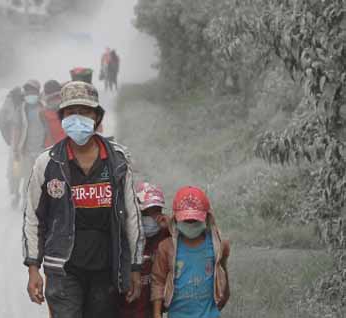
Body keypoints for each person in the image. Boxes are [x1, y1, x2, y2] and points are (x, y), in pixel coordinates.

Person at [22, 81, 145, 318]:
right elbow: (33, 219)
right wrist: (33, 268)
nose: (78, 118)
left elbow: (132, 216)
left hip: (107, 270)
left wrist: (136, 268)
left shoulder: (117, 161)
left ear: (97, 117)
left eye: (85, 112)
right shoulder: (47, 163)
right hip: (63, 271)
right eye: (71, 112)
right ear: (62, 117)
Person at [151, 186, 230, 318]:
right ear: (176, 219)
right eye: (186, 221)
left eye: (195, 221)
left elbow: (222, 281)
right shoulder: (167, 248)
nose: (191, 224)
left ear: (206, 218)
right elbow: (158, 281)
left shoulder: (217, 245)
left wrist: (224, 261)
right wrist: (157, 314)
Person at [119, 182, 170, 318]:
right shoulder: (123, 239)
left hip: (151, 311)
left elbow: (191, 237)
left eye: (157, 211)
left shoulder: (165, 235)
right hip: (124, 311)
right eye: (147, 212)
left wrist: (171, 225)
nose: (153, 218)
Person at [10, 79, 43, 208]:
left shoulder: (44, 107)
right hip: (26, 150)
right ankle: (25, 200)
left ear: (37, 92)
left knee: (41, 178)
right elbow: (17, 129)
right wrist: (16, 149)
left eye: (33, 91)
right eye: (28, 91)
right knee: (27, 176)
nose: (30, 94)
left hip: (42, 150)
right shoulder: (21, 109)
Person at [0, 87, 25, 206]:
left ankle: (18, 193)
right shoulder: (9, 105)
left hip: (21, 144)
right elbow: (1, 120)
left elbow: (0, 119)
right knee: (16, 170)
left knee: (19, 171)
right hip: (16, 144)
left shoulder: (24, 104)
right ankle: (16, 193)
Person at [40, 80, 66, 148]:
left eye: (57, 97)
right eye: (51, 98)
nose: (55, 100)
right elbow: (45, 133)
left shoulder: (69, 109)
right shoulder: (43, 113)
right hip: (52, 149)